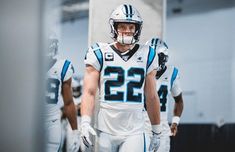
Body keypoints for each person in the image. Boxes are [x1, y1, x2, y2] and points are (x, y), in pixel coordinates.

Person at [80, 4, 162, 152]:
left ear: (137, 29)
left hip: (135, 130)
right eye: (123, 26)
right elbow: (89, 92)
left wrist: (157, 130)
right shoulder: (99, 52)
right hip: (105, 129)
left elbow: (151, 96)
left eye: (131, 27)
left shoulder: (148, 54)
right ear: (114, 27)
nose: (127, 31)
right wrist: (85, 122)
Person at [145, 37, 184, 152]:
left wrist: (175, 122)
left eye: (157, 57)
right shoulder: (139, 71)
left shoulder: (171, 73)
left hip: (162, 130)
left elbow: (179, 100)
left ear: (164, 58)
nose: (153, 61)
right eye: (151, 57)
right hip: (140, 128)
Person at [45, 36, 80, 152]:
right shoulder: (26, 66)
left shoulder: (62, 67)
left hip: (51, 123)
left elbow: (69, 103)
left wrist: (75, 131)